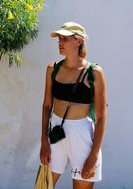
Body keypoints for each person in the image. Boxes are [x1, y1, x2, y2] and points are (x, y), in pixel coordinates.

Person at [40, 21, 107, 189]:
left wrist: (93, 157)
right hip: (55, 130)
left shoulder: (94, 73)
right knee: (43, 185)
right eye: (59, 39)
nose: (60, 43)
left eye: (65, 39)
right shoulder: (52, 69)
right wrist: (43, 141)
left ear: (79, 40)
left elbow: (101, 117)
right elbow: (47, 105)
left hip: (82, 134)